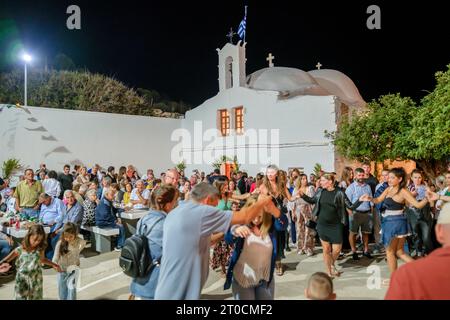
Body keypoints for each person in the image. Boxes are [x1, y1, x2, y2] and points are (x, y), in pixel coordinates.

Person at [154, 182, 280, 300]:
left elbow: (209, 241)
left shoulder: (179, 210)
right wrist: (263, 202)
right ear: (207, 200)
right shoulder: (201, 212)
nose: (216, 210)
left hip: (170, 287)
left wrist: (226, 232)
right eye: (214, 206)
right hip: (179, 291)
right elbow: (245, 216)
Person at [298, 173, 366, 277]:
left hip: (336, 225)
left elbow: (351, 207)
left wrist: (360, 200)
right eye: (320, 180)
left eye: (323, 180)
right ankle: (328, 271)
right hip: (322, 224)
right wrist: (303, 195)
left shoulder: (340, 193)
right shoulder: (320, 191)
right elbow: (312, 200)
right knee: (326, 250)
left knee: (337, 250)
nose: (321, 182)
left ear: (330, 182)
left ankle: (331, 263)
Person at [224, 195, 287, 300]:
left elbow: (283, 224)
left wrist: (274, 210)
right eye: (253, 216)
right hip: (243, 280)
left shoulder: (270, 226)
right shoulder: (242, 222)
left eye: (260, 216)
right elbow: (228, 238)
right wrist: (235, 230)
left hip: (265, 280)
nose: (256, 220)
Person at [370, 167, 429, 274]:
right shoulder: (388, 189)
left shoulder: (403, 191)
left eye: (392, 178)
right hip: (389, 222)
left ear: (400, 179)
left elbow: (418, 205)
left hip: (396, 223)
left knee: (390, 251)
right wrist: (369, 199)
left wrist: (427, 198)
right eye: (389, 177)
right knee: (399, 251)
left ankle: (394, 278)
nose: (389, 179)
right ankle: (421, 270)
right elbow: (378, 200)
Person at [385, 203, 450, 299]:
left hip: (393, 224)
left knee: (392, 251)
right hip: (400, 223)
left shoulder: (407, 276)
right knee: (399, 251)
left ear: (439, 231)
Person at [130, 185, 179, 300]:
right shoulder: (166, 224)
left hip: (140, 281)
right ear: (167, 205)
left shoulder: (144, 219)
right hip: (154, 285)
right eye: (175, 201)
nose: (176, 204)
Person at [0, 224, 62, 300]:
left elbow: (42, 259)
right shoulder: (21, 248)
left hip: (35, 280)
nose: (36, 242)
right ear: (29, 236)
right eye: (35, 239)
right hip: (22, 279)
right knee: (20, 297)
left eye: (39, 240)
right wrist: (3, 262)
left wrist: (54, 264)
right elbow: (10, 256)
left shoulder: (40, 249)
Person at [259, 165, 295, 276]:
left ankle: (278, 264)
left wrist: (298, 196)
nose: (270, 174)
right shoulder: (263, 186)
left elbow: (290, 198)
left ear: (276, 173)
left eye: (272, 172)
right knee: (269, 241)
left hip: (279, 217)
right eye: (268, 172)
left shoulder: (281, 185)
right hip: (268, 217)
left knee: (279, 241)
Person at [345, 168, 374, 260]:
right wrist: (350, 214)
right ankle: (354, 251)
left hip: (367, 213)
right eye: (359, 175)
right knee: (353, 233)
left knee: (366, 233)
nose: (361, 177)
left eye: (362, 175)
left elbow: (371, 200)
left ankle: (365, 250)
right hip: (355, 214)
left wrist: (371, 212)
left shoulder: (368, 186)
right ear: (355, 175)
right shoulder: (350, 188)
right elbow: (347, 203)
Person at [53, 222, 86, 300]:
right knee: (62, 292)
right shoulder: (60, 243)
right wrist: (55, 265)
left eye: (71, 236)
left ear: (75, 234)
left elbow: (80, 246)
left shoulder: (80, 242)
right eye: (66, 237)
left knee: (72, 291)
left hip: (73, 270)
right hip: (62, 271)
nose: (68, 239)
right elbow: (55, 258)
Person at [407, 169, 433, 256]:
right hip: (413, 213)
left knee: (426, 237)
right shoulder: (407, 188)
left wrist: (429, 195)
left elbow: (432, 202)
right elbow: (406, 204)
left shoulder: (426, 188)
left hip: (425, 213)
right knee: (415, 234)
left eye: (419, 177)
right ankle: (418, 251)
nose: (417, 179)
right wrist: (411, 195)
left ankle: (429, 253)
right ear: (411, 178)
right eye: (415, 177)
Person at [292, 174, 316, 256]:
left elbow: (313, 201)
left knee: (308, 230)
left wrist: (314, 213)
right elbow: (293, 202)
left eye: (305, 178)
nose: (305, 180)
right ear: (299, 180)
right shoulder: (296, 189)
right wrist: (293, 212)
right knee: (299, 230)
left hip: (308, 209)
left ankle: (308, 248)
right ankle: (300, 247)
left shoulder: (310, 188)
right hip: (298, 210)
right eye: (302, 179)